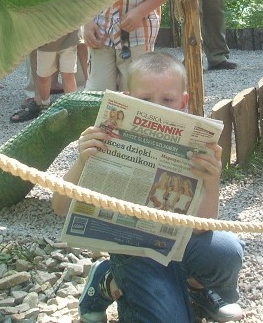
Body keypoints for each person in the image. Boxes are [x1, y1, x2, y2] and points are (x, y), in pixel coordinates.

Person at [52, 52, 244, 323]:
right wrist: (83, 160)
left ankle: (198, 289)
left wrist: (212, 183)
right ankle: (108, 279)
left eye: (167, 100)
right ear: (128, 99)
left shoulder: (196, 145)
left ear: (183, 102)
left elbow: (203, 227)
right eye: (145, 100)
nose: (158, 107)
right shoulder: (105, 137)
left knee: (226, 249)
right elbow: (60, 207)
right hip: (133, 252)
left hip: (179, 244)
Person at [83, 0, 177, 93]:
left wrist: (141, 11)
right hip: (100, 31)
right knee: (96, 92)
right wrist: (86, 20)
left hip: (138, 33)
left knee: (135, 93)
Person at [11, 26, 83, 122]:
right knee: (43, 76)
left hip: (69, 38)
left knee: (68, 74)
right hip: (45, 40)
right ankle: (44, 105)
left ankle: (73, 106)